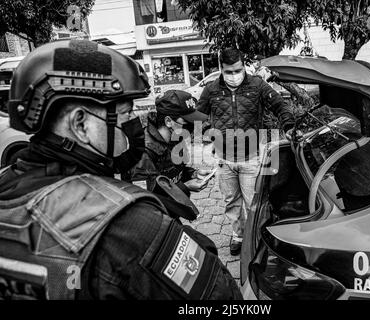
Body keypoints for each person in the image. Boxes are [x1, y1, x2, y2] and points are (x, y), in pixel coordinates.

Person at [0, 40, 242, 300]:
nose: (133, 126)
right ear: (81, 124)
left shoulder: (6, 184)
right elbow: (222, 296)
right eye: (125, 116)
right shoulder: (133, 224)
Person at [197, 48, 294, 256]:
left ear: (243, 66)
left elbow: (279, 105)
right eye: (229, 71)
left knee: (253, 202)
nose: (234, 76)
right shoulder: (211, 89)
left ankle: (256, 237)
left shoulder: (257, 85)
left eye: (238, 70)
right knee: (231, 201)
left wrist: (289, 125)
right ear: (221, 69)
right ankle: (238, 235)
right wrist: (207, 131)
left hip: (251, 157)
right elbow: (199, 115)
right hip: (224, 159)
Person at [129, 89, 212, 196]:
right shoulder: (143, 152)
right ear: (168, 121)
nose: (192, 126)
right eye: (187, 122)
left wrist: (194, 174)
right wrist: (185, 187)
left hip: (178, 207)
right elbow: (145, 195)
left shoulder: (176, 138)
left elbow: (177, 171)